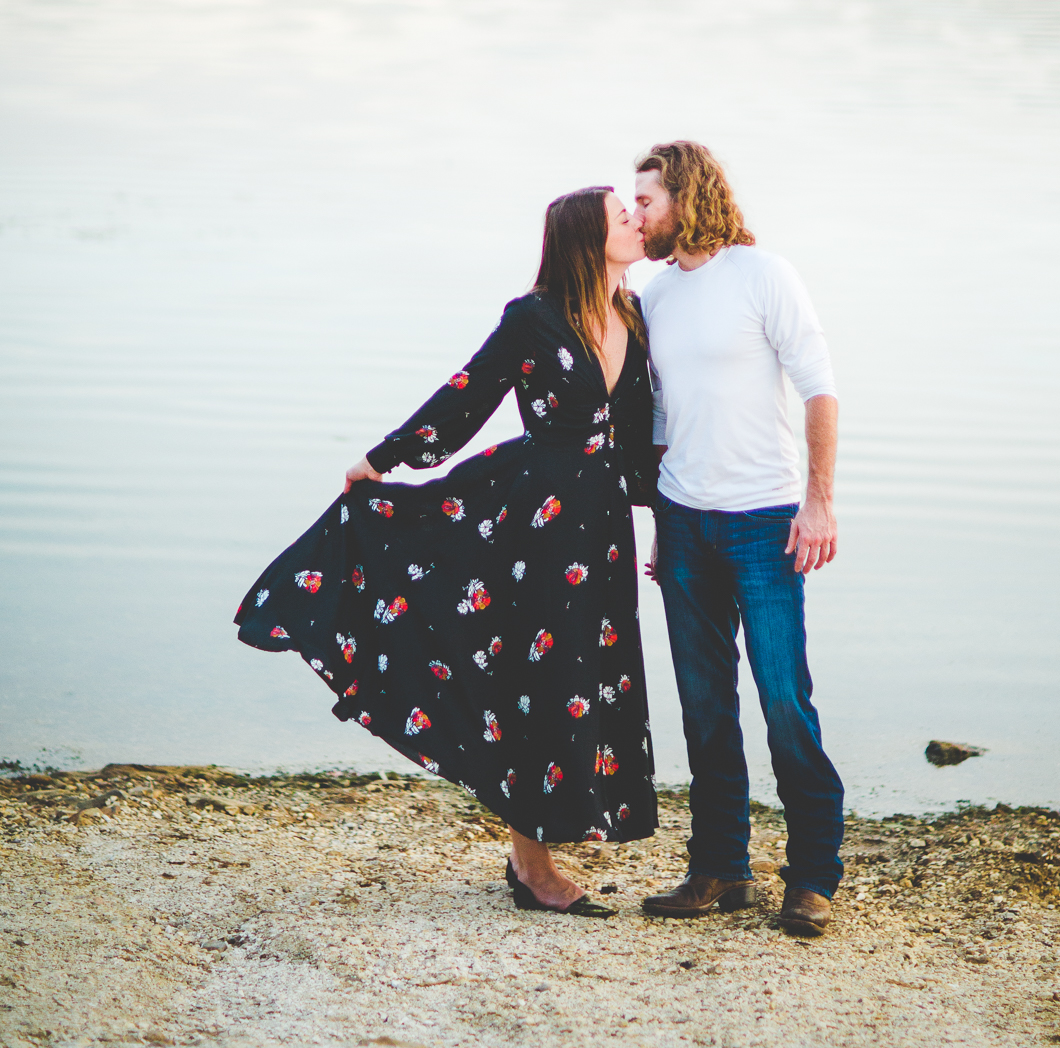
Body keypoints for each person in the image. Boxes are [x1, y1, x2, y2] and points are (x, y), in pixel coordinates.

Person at [235, 187, 659, 916]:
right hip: (533, 522)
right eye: (623, 215)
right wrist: (385, 457)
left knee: (582, 672)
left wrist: (672, 520)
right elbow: (468, 394)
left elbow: (642, 433)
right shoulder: (532, 318)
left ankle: (541, 844)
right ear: (587, 239)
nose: (637, 221)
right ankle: (533, 865)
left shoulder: (633, 314)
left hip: (602, 528)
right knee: (535, 674)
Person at [634, 140, 844, 938]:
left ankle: (813, 877)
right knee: (704, 706)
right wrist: (661, 522)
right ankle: (721, 868)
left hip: (764, 522)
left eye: (647, 200)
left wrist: (818, 503)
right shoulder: (655, 294)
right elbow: (662, 415)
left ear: (685, 198)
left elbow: (820, 389)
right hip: (684, 522)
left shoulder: (764, 275)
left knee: (784, 700)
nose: (637, 214)